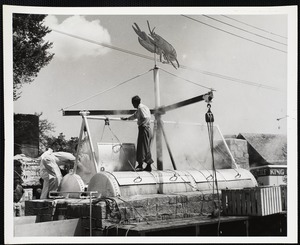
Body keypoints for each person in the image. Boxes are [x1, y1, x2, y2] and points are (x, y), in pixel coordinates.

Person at [121, 95, 154, 171]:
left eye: (133, 103)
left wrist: (143, 124)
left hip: (144, 128)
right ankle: (148, 165)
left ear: (135, 103)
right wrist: (127, 118)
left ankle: (140, 165)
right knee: (146, 147)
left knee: (141, 146)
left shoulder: (140, 108)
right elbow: (135, 115)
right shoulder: (144, 107)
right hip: (147, 129)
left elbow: (146, 117)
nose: (133, 105)